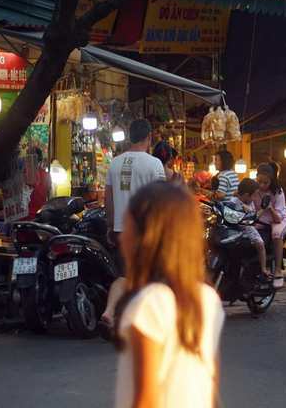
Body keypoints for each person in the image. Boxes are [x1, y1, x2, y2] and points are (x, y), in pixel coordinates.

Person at [114, 181, 223, 408]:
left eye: (127, 227)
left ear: (147, 236)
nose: (121, 237)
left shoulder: (150, 303)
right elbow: (209, 383)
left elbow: (146, 401)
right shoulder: (206, 297)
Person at [100, 119, 166, 338]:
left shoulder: (114, 163)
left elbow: (107, 199)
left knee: (124, 275)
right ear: (149, 137)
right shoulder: (154, 164)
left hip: (121, 228)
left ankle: (110, 311)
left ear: (129, 138)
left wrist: (111, 224)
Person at [251, 163, 286, 288]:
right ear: (256, 177)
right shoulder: (253, 188)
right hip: (257, 220)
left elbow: (278, 219)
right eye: (260, 181)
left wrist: (270, 208)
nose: (262, 185)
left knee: (276, 234)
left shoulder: (277, 192)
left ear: (271, 181)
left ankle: (278, 271)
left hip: (277, 219)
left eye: (265, 183)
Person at [225, 179, 272, 279]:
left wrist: (262, 209)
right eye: (254, 196)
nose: (255, 199)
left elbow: (254, 217)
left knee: (260, 244)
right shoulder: (233, 201)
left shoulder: (249, 203)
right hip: (234, 227)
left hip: (247, 227)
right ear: (246, 195)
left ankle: (263, 268)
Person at [25, 147, 50, 220]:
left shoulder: (24, 173)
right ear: (41, 160)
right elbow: (48, 196)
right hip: (40, 215)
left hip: (24, 216)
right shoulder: (46, 175)